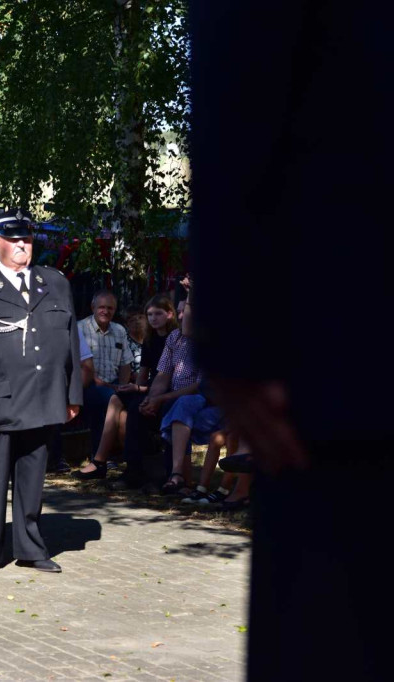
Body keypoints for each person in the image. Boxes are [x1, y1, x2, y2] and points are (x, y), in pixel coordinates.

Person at [190, 4, 393, 677]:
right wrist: (232, 336)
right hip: (347, 362)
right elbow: (240, 78)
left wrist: (229, 335)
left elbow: (236, 86)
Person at [0, 208, 82, 574]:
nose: (22, 245)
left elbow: (70, 341)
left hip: (42, 396)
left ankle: (31, 548)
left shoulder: (54, 283)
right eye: (14, 239)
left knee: (33, 475)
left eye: (26, 238)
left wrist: (72, 395)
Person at [74, 295, 177, 479]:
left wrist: (135, 389)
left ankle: (132, 466)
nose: (153, 318)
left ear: (170, 314)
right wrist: (133, 388)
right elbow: (144, 373)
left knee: (129, 411)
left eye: (158, 314)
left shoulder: (175, 339)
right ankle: (100, 461)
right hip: (141, 388)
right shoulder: (150, 339)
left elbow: (167, 378)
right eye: (150, 314)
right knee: (117, 400)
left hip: (167, 391)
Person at [78, 291, 133, 457]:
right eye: (101, 307)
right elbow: (76, 364)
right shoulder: (79, 328)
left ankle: (129, 456)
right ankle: (100, 456)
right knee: (104, 403)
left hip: (114, 384)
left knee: (132, 407)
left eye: (110, 308)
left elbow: (125, 363)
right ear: (93, 307)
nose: (106, 311)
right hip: (89, 384)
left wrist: (123, 387)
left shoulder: (119, 330)